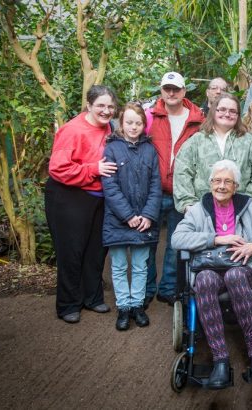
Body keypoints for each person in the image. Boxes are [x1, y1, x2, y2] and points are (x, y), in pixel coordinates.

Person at [171, 159, 252, 389]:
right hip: (209, 269)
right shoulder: (198, 210)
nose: (221, 186)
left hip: (242, 270)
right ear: (210, 184)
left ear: (235, 186)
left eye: (227, 181)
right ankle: (220, 359)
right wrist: (215, 239)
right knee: (205, 279)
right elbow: (176, 239)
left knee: (234, 276)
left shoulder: (251, 207)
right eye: (217, 180)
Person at [45, 85, 118, 323]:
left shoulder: (111, 128)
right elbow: (58, 168)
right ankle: (68, 304)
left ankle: (93, 297)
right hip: (69, 195)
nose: (106, 111)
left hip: (99, 197)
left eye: (110, 106)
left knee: (96, 251)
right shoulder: (72, 130)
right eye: (101, 106)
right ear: (89, 105)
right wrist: (94, 169)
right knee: (71, 251)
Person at [144, 71, 204, 307]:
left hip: (182, 192)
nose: (171, 93)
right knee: (147, 242)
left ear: (184, 91)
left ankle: (168, 288)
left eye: (175, 89)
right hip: (153, 192)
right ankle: (146, 287)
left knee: (175, 244)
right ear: (161, 91)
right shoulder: (150, 116)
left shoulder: (198, 119)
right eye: (167, 89)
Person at [102, 103, 162, 331]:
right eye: (129, 122)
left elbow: (156, 185)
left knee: (140, 265)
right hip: (118, 220)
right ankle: (123, 307)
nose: (134, 127)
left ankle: (137, 305)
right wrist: (128, 215)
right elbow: (110, 186)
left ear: (144, 125)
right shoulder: (111, 149)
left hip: (143, 220)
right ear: (120, 123)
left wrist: (148, 214)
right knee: (118, 266)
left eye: (138, 123)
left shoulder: (149, 150)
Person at [174, 93, 252, 213]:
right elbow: (182, 173)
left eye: (233, 111)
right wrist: (189, 206)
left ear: (238, 115)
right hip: (202, 211)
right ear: (213, 111)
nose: (227, 114)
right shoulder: (196, 141)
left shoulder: (248, 142)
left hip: (240, 212)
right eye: (222, 109)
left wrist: (248, 206)